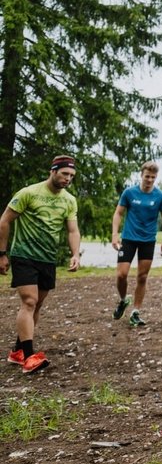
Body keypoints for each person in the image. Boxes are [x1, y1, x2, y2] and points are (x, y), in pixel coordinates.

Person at [0, 155, 81, 373]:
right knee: (29, 301)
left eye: (71, 176)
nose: (68, 179)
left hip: (47, 258)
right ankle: (28, 357)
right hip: (23, 255)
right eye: (64, 174)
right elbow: (5, 221)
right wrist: (2, 253)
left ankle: (17, 351)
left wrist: (75, 254)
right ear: (53, 171)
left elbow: (72, 230)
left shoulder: (69, 200)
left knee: (37, 305)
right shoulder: (29, 193)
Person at [111, 161, 162, 327]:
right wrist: (115, 235)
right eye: (147, 176)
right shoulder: (129, 193)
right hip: (129, 238)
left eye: (153, 177)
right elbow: (118, 214)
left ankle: (136, 312)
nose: (150, 180)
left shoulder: (161, 196)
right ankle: (123, 300)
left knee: (142, 277)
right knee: (121, 275)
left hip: (148, 240)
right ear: (141, 175)